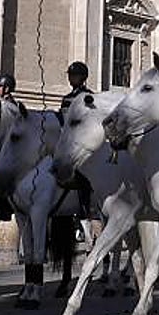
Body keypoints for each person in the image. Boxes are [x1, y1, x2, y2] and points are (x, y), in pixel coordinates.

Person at [59, 62, 94, 218]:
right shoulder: (66, 98)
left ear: (83, 78)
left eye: (75, 76)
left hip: (83, 142)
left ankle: (85, 207)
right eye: (70, 76)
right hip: (66, 140)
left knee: (82, 174)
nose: (71, 79)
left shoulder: (89, 97)